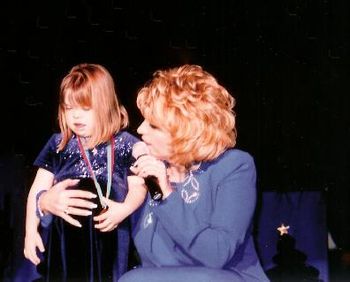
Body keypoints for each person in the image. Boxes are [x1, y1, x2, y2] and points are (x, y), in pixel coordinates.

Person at [119, 64, 269, 282]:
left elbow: (216, 254)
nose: (140, 130)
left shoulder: (234, 166)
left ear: (184, 131)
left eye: (153, 125)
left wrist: (167, 194)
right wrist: (49, 202)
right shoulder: (147, 171)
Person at [23, 63, 147, 281]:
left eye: (85, 108)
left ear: (106, 105)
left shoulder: (125, 143)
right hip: (65, 242)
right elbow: (37, 189)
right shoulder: (59, 144)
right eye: (69, 108)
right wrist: (30, 233)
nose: (76, 116)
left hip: (111, 237)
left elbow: (138, 187)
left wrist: (125, 209)